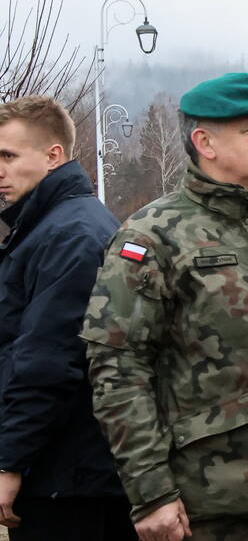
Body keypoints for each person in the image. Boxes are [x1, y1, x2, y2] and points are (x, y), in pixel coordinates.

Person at [81, 72, 248, 541]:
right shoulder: (153, 236)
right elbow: (118, 369)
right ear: (205, 142)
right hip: (212, 505)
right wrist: (152, 494)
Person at [0, 98, 133, 540]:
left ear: (54, 155)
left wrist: (10, 460)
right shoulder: (53, 226)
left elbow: (49, 361)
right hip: (68, 470)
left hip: (69, 478)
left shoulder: (70, 235)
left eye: (8, 156)